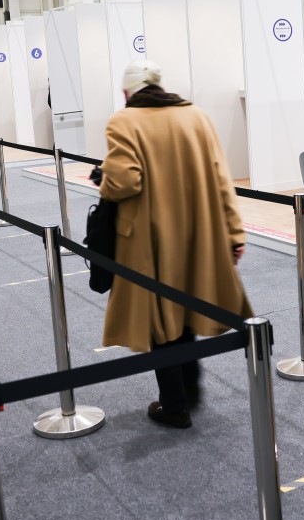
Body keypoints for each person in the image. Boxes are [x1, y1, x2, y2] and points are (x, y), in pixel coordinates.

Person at [98, 60, 252, 429]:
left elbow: (124, 183)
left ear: (127, 91)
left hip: (150, 241)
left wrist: (103, 179)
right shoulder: (196, 116)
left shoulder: (123, 122)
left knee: (159, 319)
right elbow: (220, 179)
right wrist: (234, 233)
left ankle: (175, 405)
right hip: (198, 236)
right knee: (185, 309)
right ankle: (192, 389)